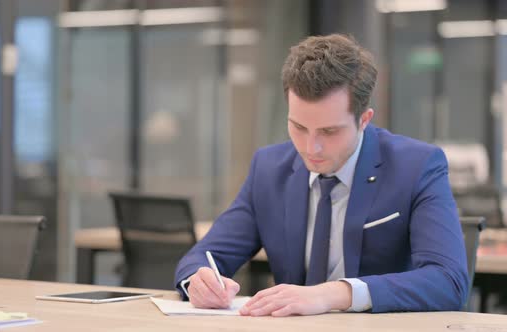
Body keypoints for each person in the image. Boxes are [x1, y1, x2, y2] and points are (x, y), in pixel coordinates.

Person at [174, 34, 468, 316]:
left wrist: (331, 295)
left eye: (329, 131)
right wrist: (199, 282)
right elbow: (203, 257)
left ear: (364, 120)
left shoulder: (416, 166)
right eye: (299, 127)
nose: (310, 147)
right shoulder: (269, 169)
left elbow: (448, 282)